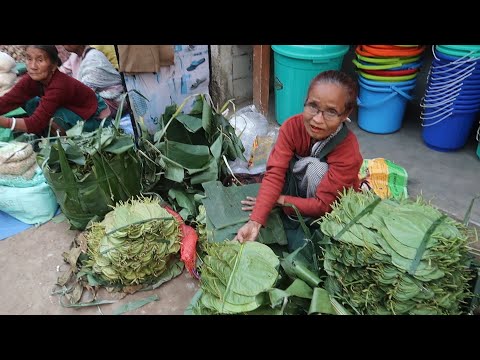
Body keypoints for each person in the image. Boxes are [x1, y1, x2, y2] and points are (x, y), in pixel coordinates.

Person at [234, 70, 363, 250]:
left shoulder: (348, 151)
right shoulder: (292, 127)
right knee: (276, 161)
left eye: (331, 112)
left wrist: (279, 200)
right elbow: (275, 173)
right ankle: (291, 205)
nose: (317, 119)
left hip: (326, 205)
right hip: (299, 191)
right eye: (313, 106)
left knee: (315, 169)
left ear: (345, 114)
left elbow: (323, 205)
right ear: (305, 101)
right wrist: (256, 221)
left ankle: (302, 218)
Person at [0, 45, 111, 136]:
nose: (32, 66)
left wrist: (5, 122)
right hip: (71, 109)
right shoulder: (31, 79)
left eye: (40, 60)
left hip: (96, 119)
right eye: (29, 59)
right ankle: (48, 136)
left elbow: (35, 123)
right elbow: (8, 101)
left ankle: (63, 144)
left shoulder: (59, 85)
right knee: (30, 103)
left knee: (52, 116)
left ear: (53, 65)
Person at [60, 45, 125, 118]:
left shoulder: (94, 58)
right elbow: (61, 72)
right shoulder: (75, 56)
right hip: (93, 99)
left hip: (113, 103)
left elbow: (84, 94)